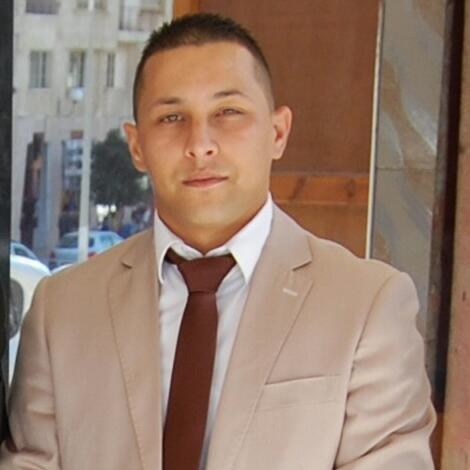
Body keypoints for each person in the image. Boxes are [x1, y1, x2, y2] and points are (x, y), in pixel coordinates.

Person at [0, 13, 435, 470]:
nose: (200, 144)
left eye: (228, 112)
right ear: (137, 145)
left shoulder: (366, 305)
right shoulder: (62, 309)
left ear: (278, 132)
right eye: (171, 117)